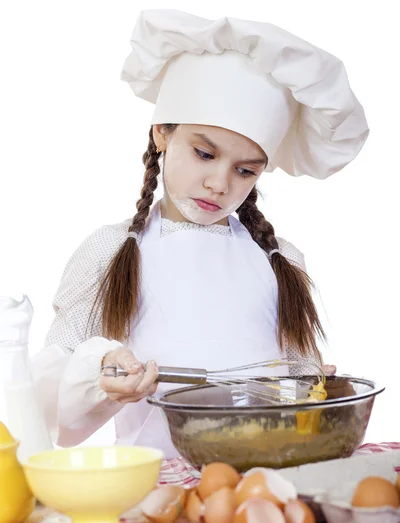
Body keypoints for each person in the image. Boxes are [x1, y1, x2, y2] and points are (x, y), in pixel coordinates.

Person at [32, 9, 368, 456]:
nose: (220, 184)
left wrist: (309, 385)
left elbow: (299, 386)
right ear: (162, 134)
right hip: (156, 484)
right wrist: (105, 373)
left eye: (245, 170)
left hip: (260, 479)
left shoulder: (280, 261)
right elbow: (45, 395)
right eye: (204, 153)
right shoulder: (109, 252)